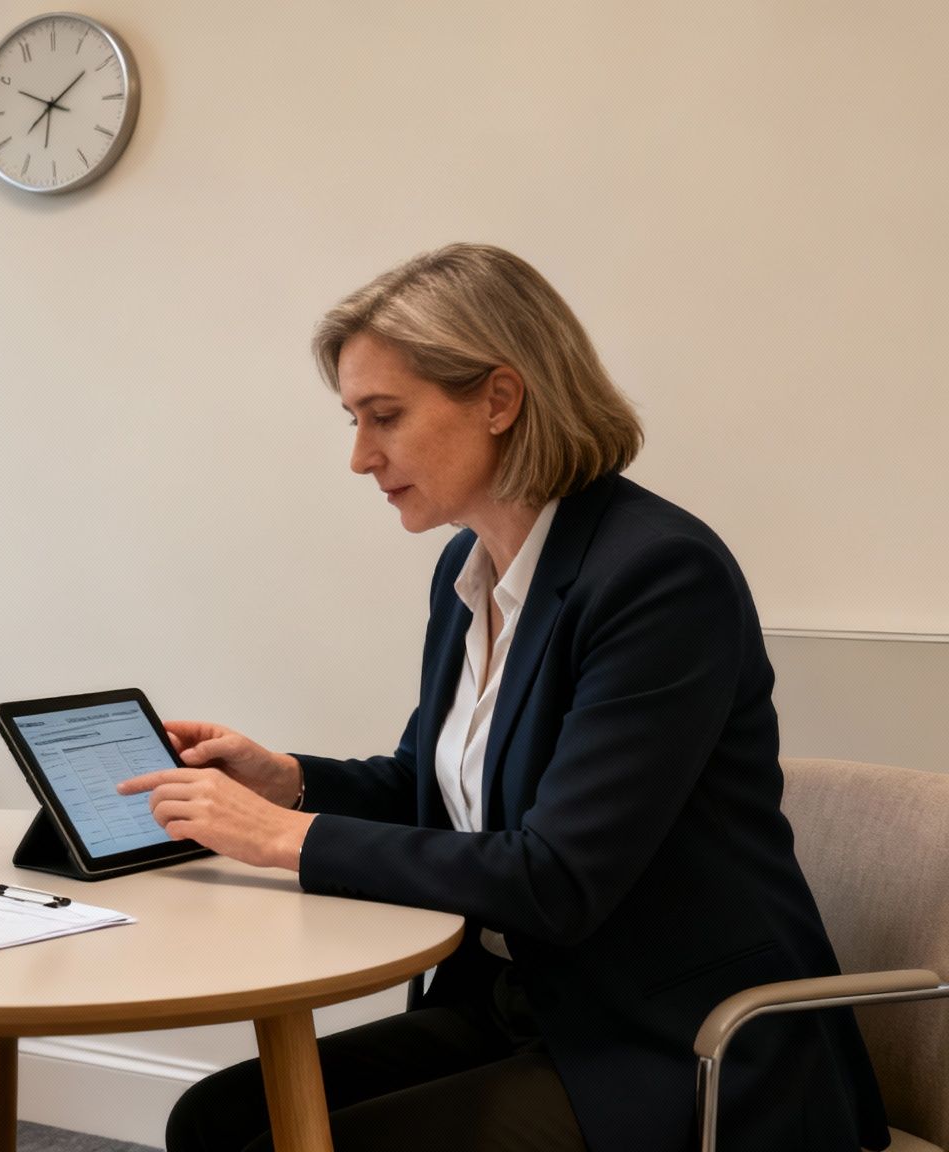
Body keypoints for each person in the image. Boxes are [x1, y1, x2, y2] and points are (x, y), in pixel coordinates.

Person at [123, 245, 887, 1152]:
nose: (360, 457)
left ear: (498, 399)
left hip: (670, 1041)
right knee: (212, 1122)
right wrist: (287, 782)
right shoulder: (471, 565)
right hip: (522, 1003)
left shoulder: (657, 576)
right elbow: (433, 787)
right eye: (354, 420)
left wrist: (284, 839)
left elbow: (555, 878)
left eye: (385, 416)